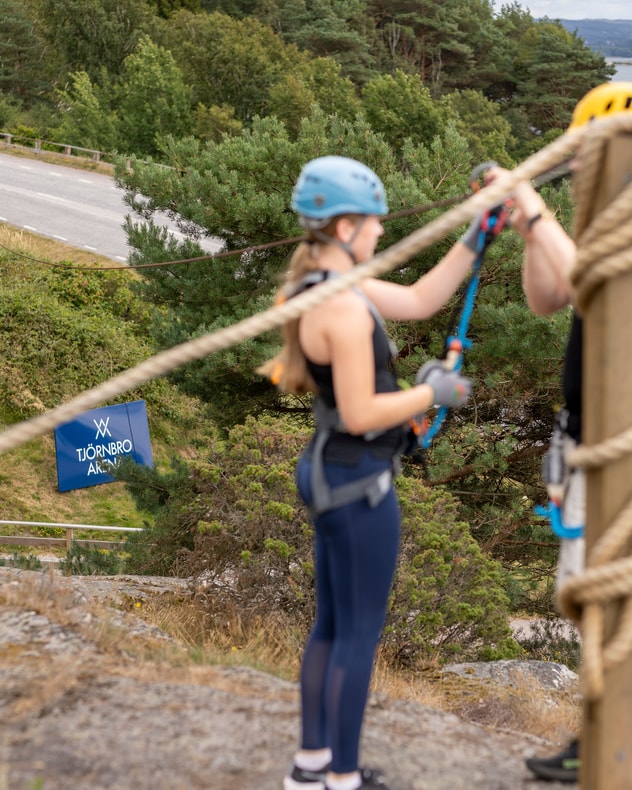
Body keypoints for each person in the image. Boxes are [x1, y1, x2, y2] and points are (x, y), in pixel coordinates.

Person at [260, 155, 493, 790]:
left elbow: (421, 299)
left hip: (329, 469)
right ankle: (342, 778)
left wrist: (477, 233)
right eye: (373, 222)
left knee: (332, 627)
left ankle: (311, 767)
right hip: (357, 477)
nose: (382, 231)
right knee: (358, 634)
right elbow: (363, 413)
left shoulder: (329, 287)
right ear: (343, 228)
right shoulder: (339, 305)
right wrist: (433, 393)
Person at [488, 81, 632, 784]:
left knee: (608, 597)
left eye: (584, 156)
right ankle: (597, 733)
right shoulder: (601, 228)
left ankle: (611, 742)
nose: (575, 169)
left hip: (621, 454)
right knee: (587, 597)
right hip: (588, 445)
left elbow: (594, 288)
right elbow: (548, 297)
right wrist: (526, 228)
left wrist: (537, 209)